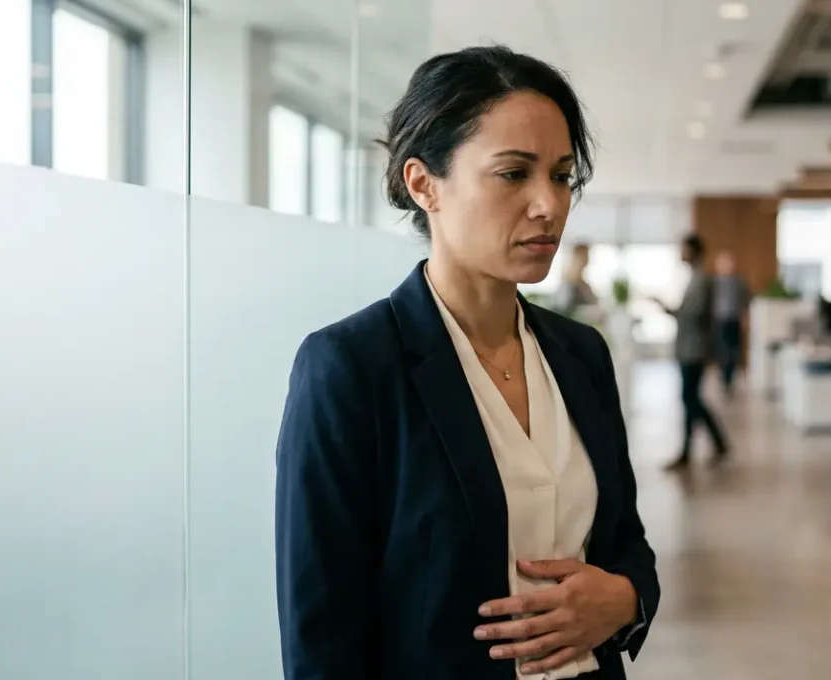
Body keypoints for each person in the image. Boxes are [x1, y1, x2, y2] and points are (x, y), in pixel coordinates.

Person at [274, 45, 658, 680]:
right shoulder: (351, 366)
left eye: (562, 176)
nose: (549, 205)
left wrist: (627, 600)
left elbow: (626, 545)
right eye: (514, 174)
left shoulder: (580, 354)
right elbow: (323, 634)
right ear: (424, 184)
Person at [653, 234, 729, 469]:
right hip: (689, 348)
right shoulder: (694, 279)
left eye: (684, 249)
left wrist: (666, 308)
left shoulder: (701, 281)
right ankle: (705, 446)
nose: (680, 253)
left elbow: (690, 315)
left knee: (690, 398)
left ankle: (700, 447)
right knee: (690, 398)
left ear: (694, 251)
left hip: (694, 350)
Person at [711, 250, 749, 396]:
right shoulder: (714, 282)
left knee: (734, 351)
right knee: (722, 351)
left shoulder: (740, 282)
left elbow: (745, 303)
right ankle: (724, 378)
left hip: (734, 320)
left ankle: (729, 379)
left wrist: (745, 319)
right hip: (720, 320)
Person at [554, 243, 599, 322]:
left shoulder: (584, 283)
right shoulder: (568, 283)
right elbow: (563, 309)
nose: (588, 258)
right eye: (585, 255)